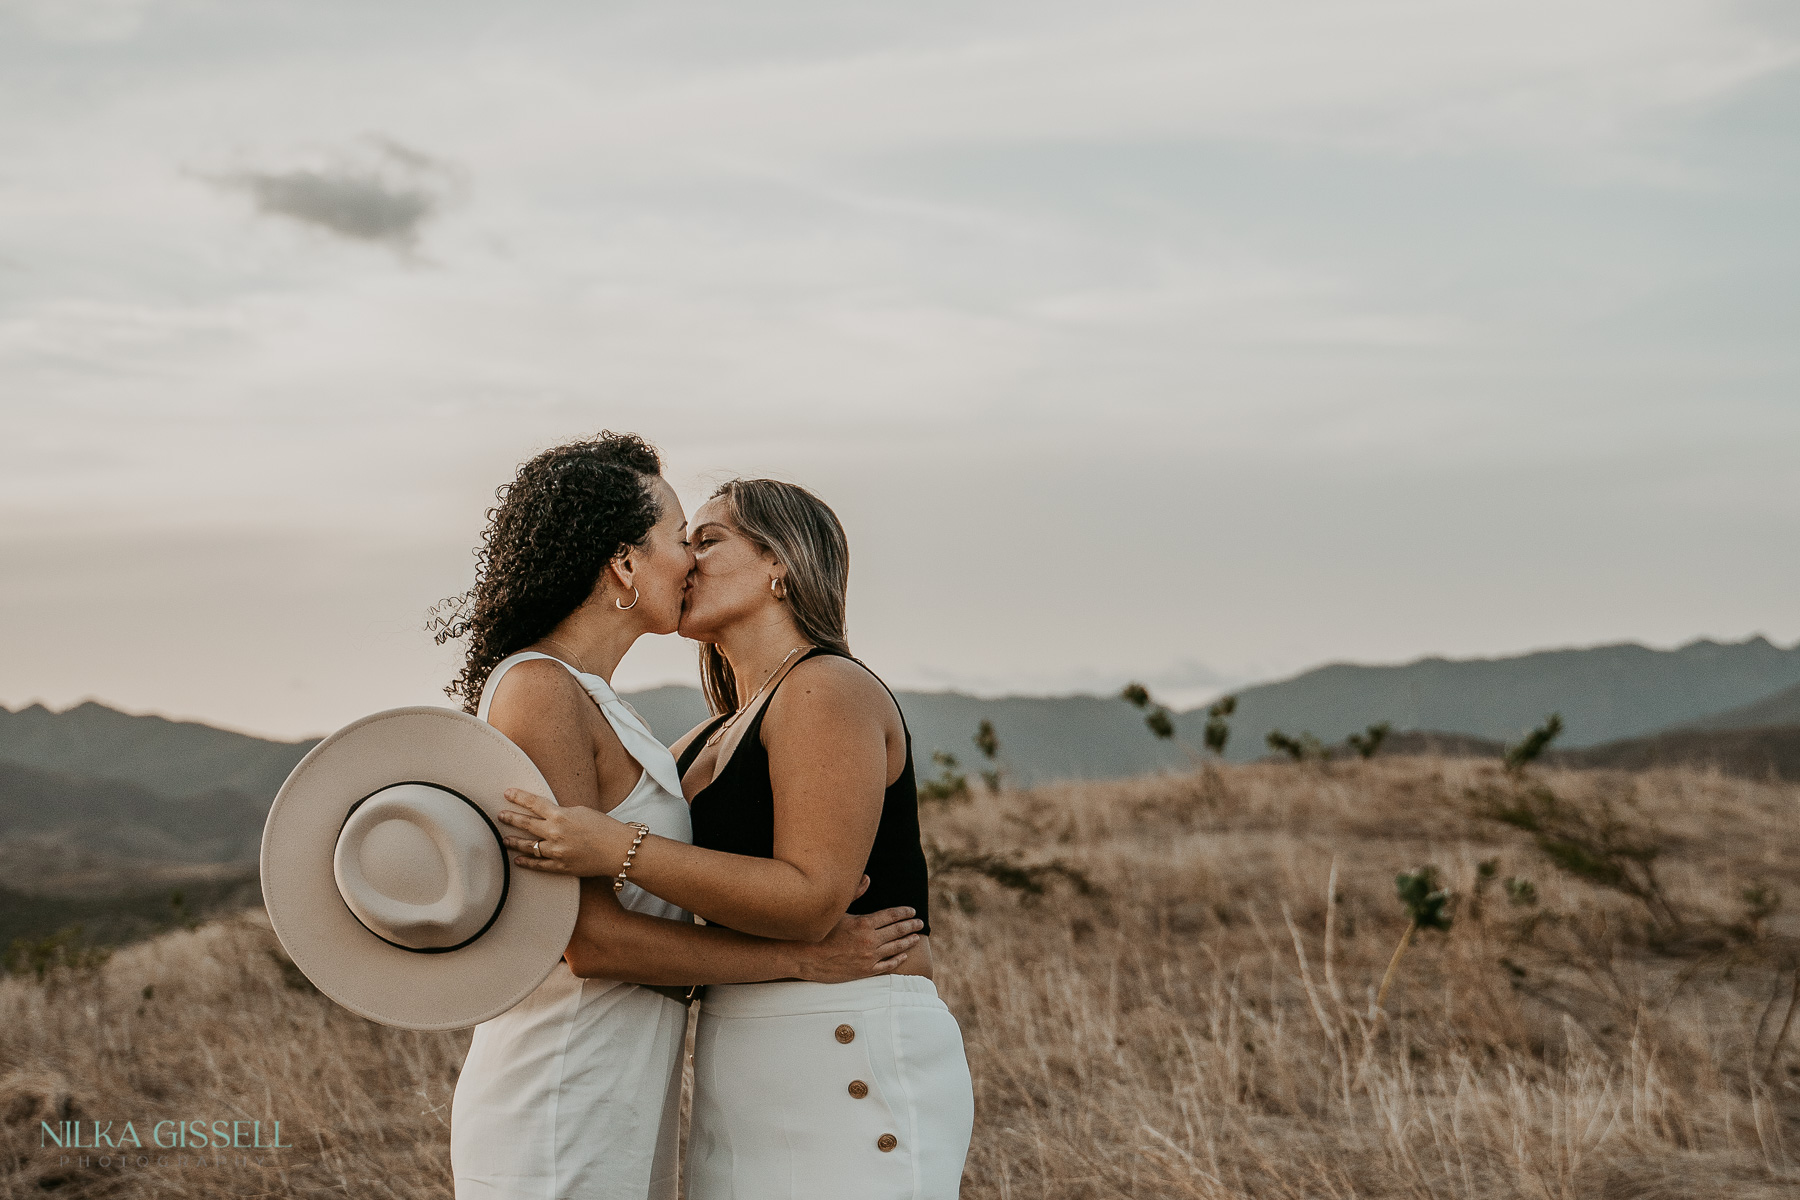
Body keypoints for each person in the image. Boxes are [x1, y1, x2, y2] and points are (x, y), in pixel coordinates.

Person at [436, 435, 925, 1200]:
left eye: (708, 539)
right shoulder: (543, 689)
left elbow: (759, 885)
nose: (690, 559)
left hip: (632, 1074)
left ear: (780, 566)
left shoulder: (630, 715)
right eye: (679, 538)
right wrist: (802, 958)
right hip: (568, 1071)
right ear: (624, 564)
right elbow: (590, 941)